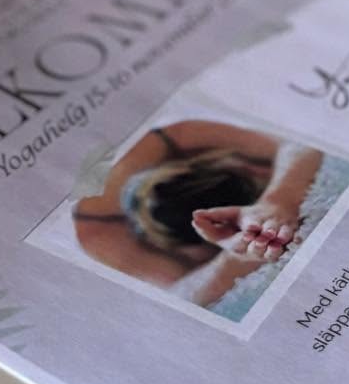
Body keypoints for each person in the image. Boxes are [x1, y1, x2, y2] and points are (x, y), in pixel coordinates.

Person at [72, 119, 323, 310]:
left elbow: (299, 141)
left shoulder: (175, 136)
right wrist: (239, 254)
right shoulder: (96, 233)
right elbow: (178, 300)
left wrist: (277, 200)